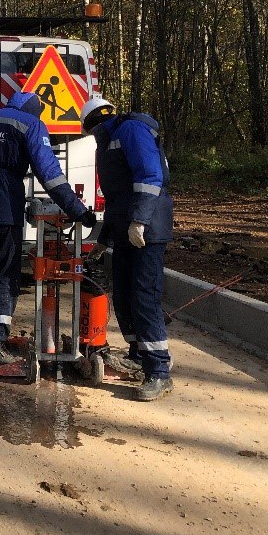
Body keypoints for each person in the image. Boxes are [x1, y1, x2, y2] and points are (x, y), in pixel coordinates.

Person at [0, 91, 95, 370]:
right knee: (2, 276)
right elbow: (49, 172)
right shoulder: (31, 124)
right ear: (35, 111)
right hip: (3, 212)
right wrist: (77, 210)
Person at [81, 95, 175, 401]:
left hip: (146, 231)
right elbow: (116, 198)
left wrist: (139, 222)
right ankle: (138, 355)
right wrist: (103, 240)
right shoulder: (108, 142)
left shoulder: (130, 131)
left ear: (95, 122)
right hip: (125, 231)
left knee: (144, 297)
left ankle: (159, 371)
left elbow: (150, 177)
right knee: (122, 296)